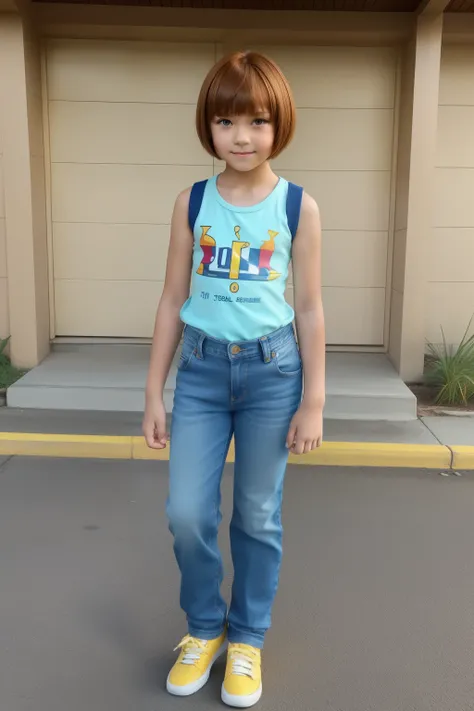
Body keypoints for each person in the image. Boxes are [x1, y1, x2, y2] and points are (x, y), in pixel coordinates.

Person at [143, 50, 325, 708]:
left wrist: (314, 399)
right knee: (187, 512)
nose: (241, 136)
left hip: (274, 374)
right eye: (225, 121)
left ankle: (246, 636)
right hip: (199, 372)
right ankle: (203, 628)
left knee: (256, 513)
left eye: (257, 120)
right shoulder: (191, 202)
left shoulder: (298, 207)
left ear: (280, 124)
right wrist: (153, 392)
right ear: (208, 127)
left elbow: (309, 307)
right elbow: (170, 299)